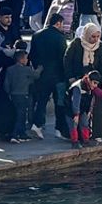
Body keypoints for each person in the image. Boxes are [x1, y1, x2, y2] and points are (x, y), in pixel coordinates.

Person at [64, 23, 102, 139]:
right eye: (93, 37)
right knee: (76, 108)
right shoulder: (76, 44)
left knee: (95, 107)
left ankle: (95, 133)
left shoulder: (101, 47)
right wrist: (70, 77)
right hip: (78, 79)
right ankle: (75, 136)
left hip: (95, 80)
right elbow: (67, 60)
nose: (95, 39)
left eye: (97, 37)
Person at [29, 12, 69, 140]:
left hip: (42, 74)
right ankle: (59, 129)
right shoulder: (60, 37)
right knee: (60, 102)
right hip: (57, 75)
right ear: (58, 23)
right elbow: (63, 57)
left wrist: (38, 67)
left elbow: (32, 55)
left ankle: (37, 124)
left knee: (41, 101)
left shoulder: (36, 35)